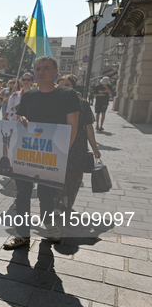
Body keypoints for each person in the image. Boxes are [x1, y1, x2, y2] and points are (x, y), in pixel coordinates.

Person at [3, 56, 80, 249]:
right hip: (27, 153)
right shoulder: (29, 95)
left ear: (56, 72)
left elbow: (73, 125)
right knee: (22, 194)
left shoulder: (68, 94)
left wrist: (63, 153)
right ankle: (22, 235)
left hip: (52, 154)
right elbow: (22, 116)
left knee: (46, 195)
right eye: (38, 69)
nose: (41, 72)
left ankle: (49, 225)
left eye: (46, 68)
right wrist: (21, 119)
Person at [55, 75, 101, 210]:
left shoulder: (82, 103)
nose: (63, 87)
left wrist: (95, 148)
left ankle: (68, 198)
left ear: (73, 88)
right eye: (60, 84)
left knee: (73, 174)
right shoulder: (50, 103)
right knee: (57, 173)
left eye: (67, 85)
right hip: (56, 142)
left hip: (77, 144)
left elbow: (88, 127)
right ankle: (56, 202)